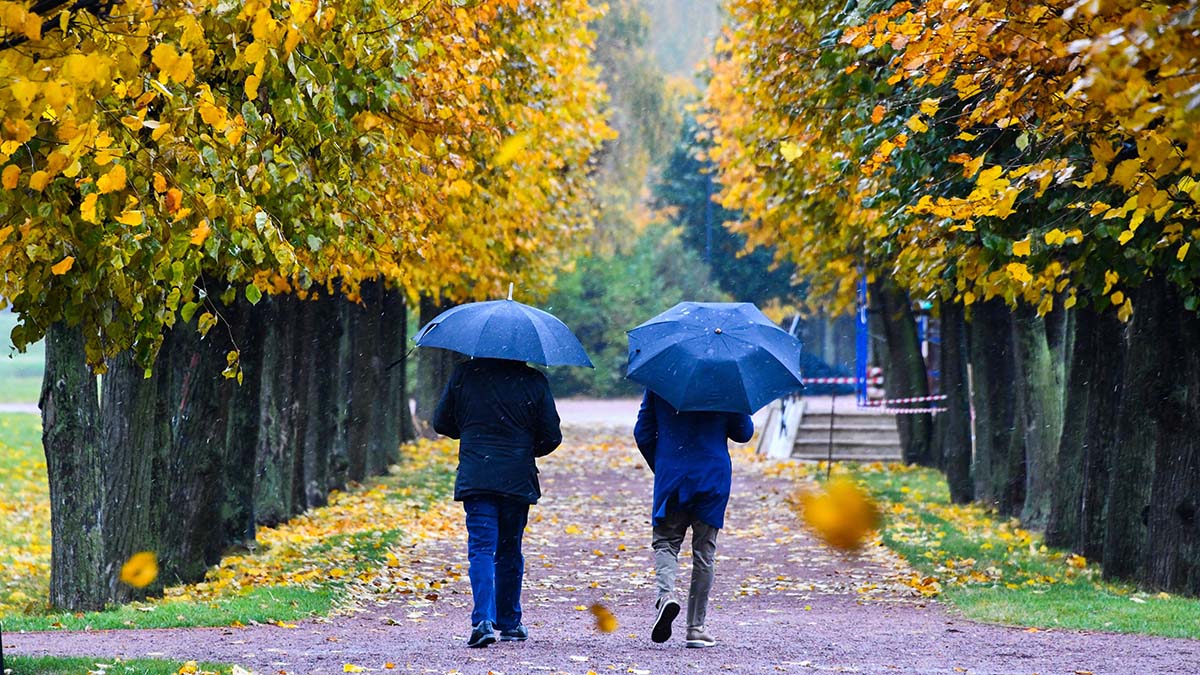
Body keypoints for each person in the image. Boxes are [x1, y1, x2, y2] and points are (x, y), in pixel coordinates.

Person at [433, 357, 562, 648]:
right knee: (509, 550)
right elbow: (552, 436)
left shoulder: (465, 374)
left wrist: (470, 431)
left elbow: (442, 422)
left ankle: (482, 620)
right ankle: (510, 622)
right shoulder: (533, 381)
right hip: (516, 478)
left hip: (477, 475)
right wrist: (525, 448)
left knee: (480, 548)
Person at [633, 388, 754, 648]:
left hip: (673, 475)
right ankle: (696, 628)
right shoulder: (727, 382)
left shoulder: (661, 380)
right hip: (712, 476)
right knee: (704, 553)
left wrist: (664, 464)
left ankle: (666, 596)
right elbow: (743, 433)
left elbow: (642, 433)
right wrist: (737, 401)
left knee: (666, 542)